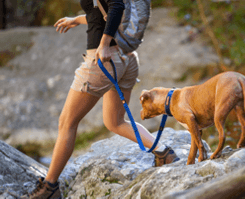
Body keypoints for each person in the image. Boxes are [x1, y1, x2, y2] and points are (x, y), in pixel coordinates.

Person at [21, 0, 179, 198]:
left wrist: (103, 44)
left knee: (67, 122)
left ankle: (50, 187)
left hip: (104, 60)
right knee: (115, 121)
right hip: (126, 58)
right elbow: (102, 14)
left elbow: (116, 7)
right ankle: (164, 152)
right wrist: (76, 20)